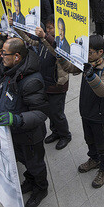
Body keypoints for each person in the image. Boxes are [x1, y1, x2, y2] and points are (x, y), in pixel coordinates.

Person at [0, 38, 49, 207]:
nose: (1, 56)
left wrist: (17, 119)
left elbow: (41, 113)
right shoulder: (10, 70)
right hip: (15, 133)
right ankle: (30, 180)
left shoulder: (32, 81)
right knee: (24, 161)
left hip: (29, 135)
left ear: (17, 57)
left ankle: (41, 188)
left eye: (5, 54)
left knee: (35, 164)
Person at [59, 35, 104, 189]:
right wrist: (61, 57)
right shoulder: (88, 62)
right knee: (89, 139)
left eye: (90, 52)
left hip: (100, 115)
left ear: (101, 52)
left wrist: (91, 75)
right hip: (86, 111)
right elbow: (70, 68)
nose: (87, 55)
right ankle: (94, 159)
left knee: (102, 142)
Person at [23, 17, 73, 150]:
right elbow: (29, 40)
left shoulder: (62, 44)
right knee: (50, 111)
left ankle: (65, 135)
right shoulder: (43, 41)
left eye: (51, 28)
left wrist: (45, 36)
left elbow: (55, 48)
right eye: (47, 27)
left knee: (57, 113)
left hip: (57, 85)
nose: (48, 30)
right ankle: (55, 132)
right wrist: (17, 27)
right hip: (45, 83)